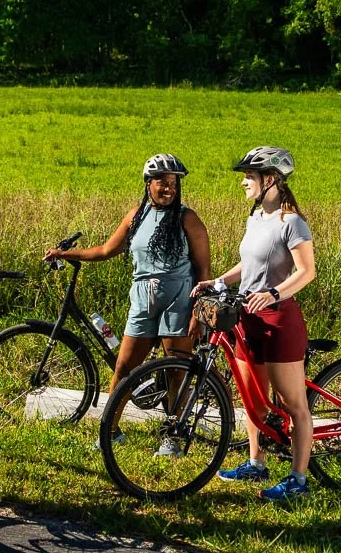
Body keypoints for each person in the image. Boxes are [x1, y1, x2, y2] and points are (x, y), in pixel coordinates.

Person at [47, 154, 211, 455]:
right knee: (124, 368)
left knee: (176, 369)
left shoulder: (189, 218)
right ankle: (111, 430)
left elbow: (204, 270)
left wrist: (200, 312)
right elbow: (106, 250)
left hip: (179, 300)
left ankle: (172, 436)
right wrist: (66, 254)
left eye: (174, 183)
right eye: (162, 182)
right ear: (148, 184)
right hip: (143, 300)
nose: (169, 188)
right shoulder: (137, 215)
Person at [192, 145, 317, 504]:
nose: (244, 182)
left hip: (278, 319)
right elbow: (247, 266)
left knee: (294, 404)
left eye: (250, 176)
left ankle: (298, 480)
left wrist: (274, 294)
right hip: (246, 314)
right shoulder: (255, 218)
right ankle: (255, 463)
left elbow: (306, 272)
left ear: (271, 180)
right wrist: (219, 282)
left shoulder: (291, 222)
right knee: (253, 399)